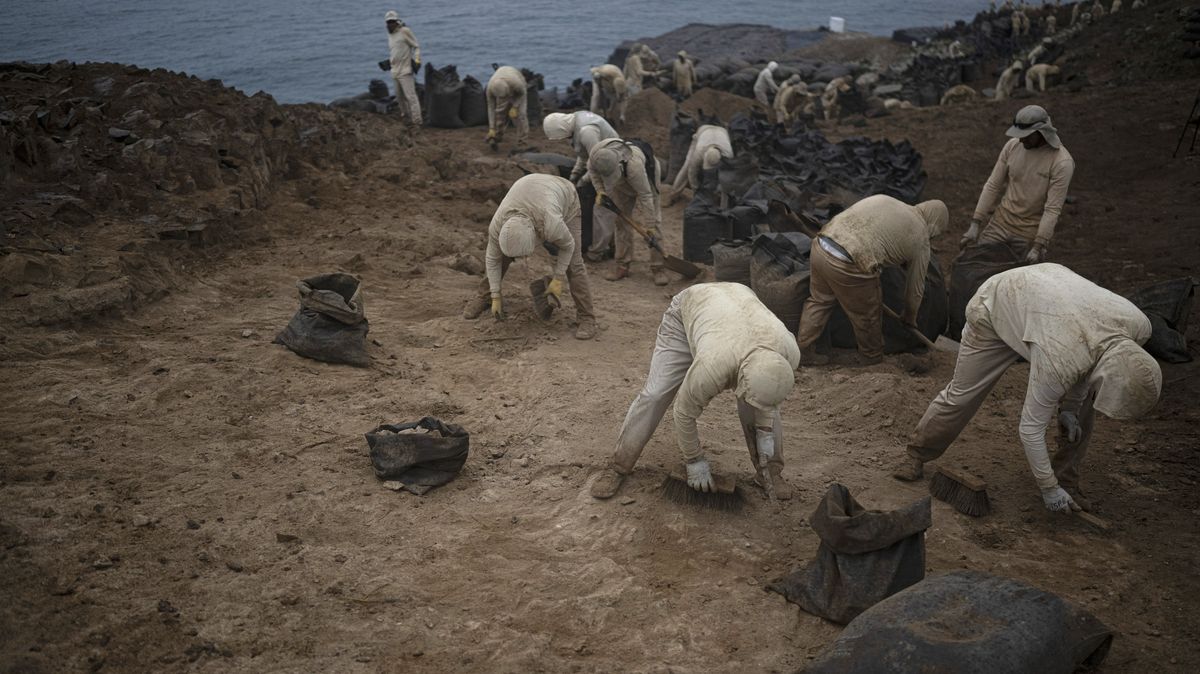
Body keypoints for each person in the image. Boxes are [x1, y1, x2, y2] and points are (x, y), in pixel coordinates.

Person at [893, 264, 1161, 512]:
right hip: (998, 304)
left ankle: (1067, 481)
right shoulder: (1060, 359)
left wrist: (1070, 408)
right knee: (963, 395)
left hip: (1051, 303)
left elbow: (1091, 364)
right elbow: (1030, 429)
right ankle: (916, 453)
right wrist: (1047, 488)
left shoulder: (1139, 327)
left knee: (1084, 408)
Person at [589, 283, 801, 500]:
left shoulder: (789, 353)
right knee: (656, 394)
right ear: (741, 378)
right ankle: (618, 466)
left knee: (760, 403)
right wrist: (694, 460)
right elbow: (683, 412)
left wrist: (765, 428)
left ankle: (770, 472)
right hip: (688, 311)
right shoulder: (714, 366)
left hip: (737, 304)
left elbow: (767, 400)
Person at [795, 195, 948, 364]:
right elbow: (915, 291)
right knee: (867, 315)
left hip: (822, 244)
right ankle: (872, 358)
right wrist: (909, 317)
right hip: (850, 261)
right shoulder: (921, 238)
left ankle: (804, 350)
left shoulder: (888, 200)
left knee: (819, 301)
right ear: (935, 226)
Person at [462, 174, 597, 340]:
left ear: (536, 237)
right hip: (528, 187)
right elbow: (492, 259)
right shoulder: (497, 226)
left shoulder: (551, 224)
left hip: (565, 196)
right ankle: (485, 296)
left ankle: (587, 317)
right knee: (501, 255)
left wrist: (558, 279)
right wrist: (495, 294)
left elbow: (568, 247)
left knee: (574, 264)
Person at [960, 105, 1075, 262]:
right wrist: (975, 223)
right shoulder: (1012, 146)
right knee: (978, 267)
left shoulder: (1061, 162)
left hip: (1029, 233)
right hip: (999, 224)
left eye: (1026, 136)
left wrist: (1037, 246)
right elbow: (993, 185)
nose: (1021, 139)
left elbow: (1052, 209)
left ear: (1042, 132)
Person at [587, 138, 669, 285]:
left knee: (655, 223)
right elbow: (592, 172)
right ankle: (622, 264)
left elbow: (646, 196)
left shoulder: (634, 166)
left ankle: (658, 267)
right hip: (621, 181)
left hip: (646, 176)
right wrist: (600, 191)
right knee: (620, 221)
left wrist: (649, 226)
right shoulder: (596, 157)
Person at [542, 111, 620, 259]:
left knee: (602, 208)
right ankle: (610, 246)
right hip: (601, 163)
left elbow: (597, 161)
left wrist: (583, 179)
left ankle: (598, 252)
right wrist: (575, 174)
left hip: (612, 165)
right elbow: (584, 156)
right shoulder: (577, 122)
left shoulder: (587, 131)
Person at [668, 124, 733, 203]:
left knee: (724, 179)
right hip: (702, 132)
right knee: (687, 166)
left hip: (722, 132)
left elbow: (727, 180)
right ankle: (673, 195)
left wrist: (723, 207)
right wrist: (696, 191)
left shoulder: (728, 155)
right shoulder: (698, 153)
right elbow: (691, 172)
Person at [384, 11, 422, 126]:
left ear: (396, 22)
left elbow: (416, 46)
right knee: (399, 98)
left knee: (411, 97)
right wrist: (389, 62)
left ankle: (417, 122)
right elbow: (395, 51)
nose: (390, 24)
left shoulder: (405, 31)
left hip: (405, 70)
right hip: (395, 71)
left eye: (392, 22)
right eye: (388, 22)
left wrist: (417, 60)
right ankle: (406, 117)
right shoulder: (390, 35)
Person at [485, 66, 528, 148]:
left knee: (521, 115)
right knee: (500, 113)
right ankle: (496, 136)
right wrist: (491, 128)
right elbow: (491, 109)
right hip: (503, 88)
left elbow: (522, 93)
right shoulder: (490, 90)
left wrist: (515, 106)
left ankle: (522, 142)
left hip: (519, 91)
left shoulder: (516, 83)